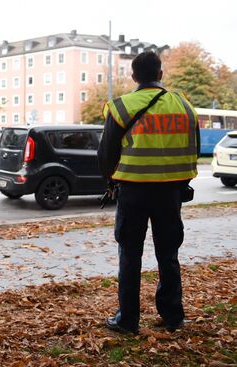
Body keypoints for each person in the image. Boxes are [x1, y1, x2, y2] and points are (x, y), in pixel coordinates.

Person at [97, 51, 200, 334]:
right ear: (160, 75)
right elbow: (193, 147)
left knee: (130, 255)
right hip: (170, 193)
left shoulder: (122, 107)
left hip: (133, 191)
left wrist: (110, 182)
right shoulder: (183, 105)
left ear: (133, 77)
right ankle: (173, 316)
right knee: (168, 255)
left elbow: (106, 154)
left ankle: (127, 320)